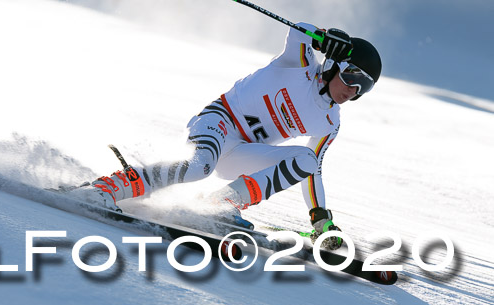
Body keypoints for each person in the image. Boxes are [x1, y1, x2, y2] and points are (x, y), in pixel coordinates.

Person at [76, 24, 382, 250]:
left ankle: (220, 205)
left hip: (242, 153)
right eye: (352, 76)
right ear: (334, 63)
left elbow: (311, 169)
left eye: (363, 88)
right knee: (199, 168)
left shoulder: (329, 121)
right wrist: (324, 37)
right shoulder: (300, 64)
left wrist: (319, 219)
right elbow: (300, 32)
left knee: (306, 158)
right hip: (219, 122)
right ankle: (106, 187)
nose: (352, 90)